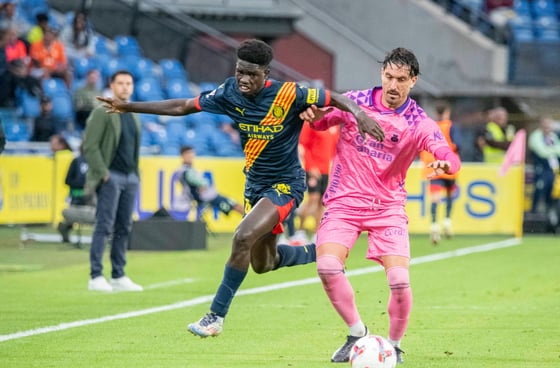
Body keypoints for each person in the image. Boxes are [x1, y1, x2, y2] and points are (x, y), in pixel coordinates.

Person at [96, 39, 384, 336]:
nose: (243, 79)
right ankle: (323, 252)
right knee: (264, 263)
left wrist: (360, 114)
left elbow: (335, 97)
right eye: (240, 72)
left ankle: (215, 317)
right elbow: (183, 105)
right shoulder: (229, 92)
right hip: (255, 186)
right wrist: (128, 106)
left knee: (242, 236)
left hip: (286, 184)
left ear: (265, 74)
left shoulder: (289, 93)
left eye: (251, 74)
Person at [300, 47, 461, 364]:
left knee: (399, 281)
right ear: (381, 74)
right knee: (327, 266)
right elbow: (321, 122)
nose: (393, 85)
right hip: (344, 203)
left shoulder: (418, 122)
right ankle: (356, 333)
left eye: (401, 79)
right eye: (389, 77)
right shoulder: (354, 102)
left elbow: (449, 156)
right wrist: (314, 117)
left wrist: (446, 164)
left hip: (387, 209)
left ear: (413, 81)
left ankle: (394, 346)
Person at [82, 70, 143, 293]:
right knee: (104, 225)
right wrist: (103, 173)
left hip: (130, 177)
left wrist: (135, 175)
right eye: (121, 83)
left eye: (129, 83)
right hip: (111, 176)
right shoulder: (102, 111)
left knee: (124, 227)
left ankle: (118, 275)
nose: (125, 87)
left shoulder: (133, 113)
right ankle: (96, 275)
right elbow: (90, 145)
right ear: (112, 85)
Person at [419, 102, 461, 244]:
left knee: (435, 198)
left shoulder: (429, 127)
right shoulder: (450, 126)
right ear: (447, 112)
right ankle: (447, 221)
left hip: (433, 167)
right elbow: (458, 145)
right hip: (448, 167)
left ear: (436, 113)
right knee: (450, 195)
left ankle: (434, 225)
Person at [294, 121, 340, 243]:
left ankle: (316, 233)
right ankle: (300, 232)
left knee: (321, 202)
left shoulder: (334, 125)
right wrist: (311, 166)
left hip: (327, 169)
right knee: (312, 199)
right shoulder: (311, 123)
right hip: (313, 169)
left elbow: (334, 148)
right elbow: (304, 146)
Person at [176, 145, 244, 218]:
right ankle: (249, 222)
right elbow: (199, 182)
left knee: (236, 206)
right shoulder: (185, 171)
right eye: (188, 154)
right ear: (183, 155)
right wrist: (202, 185)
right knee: (236, 206)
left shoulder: (189, 169)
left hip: (209, 197)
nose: (190, 156)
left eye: (191, 153)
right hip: (207, 198)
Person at [58, 144, 96, 243]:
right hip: (76, 196)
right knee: (72, 216)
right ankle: (64, 228)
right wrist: (81, 185)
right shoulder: (76, 161)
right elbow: (67, 180)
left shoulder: (95, 163)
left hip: (91, 198)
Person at [528, 116, 560, 228]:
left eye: (549, 126)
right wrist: (554, 150)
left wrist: (551, 150)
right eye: (545, 126)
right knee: (540, 189)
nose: (547, 129)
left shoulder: (553, 136)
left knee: (553, 193)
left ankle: (551, 216)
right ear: (541, 126)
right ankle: (533, 214)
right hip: (541, 169)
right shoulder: (536, 136)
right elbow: (542, 152)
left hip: (554, 170)